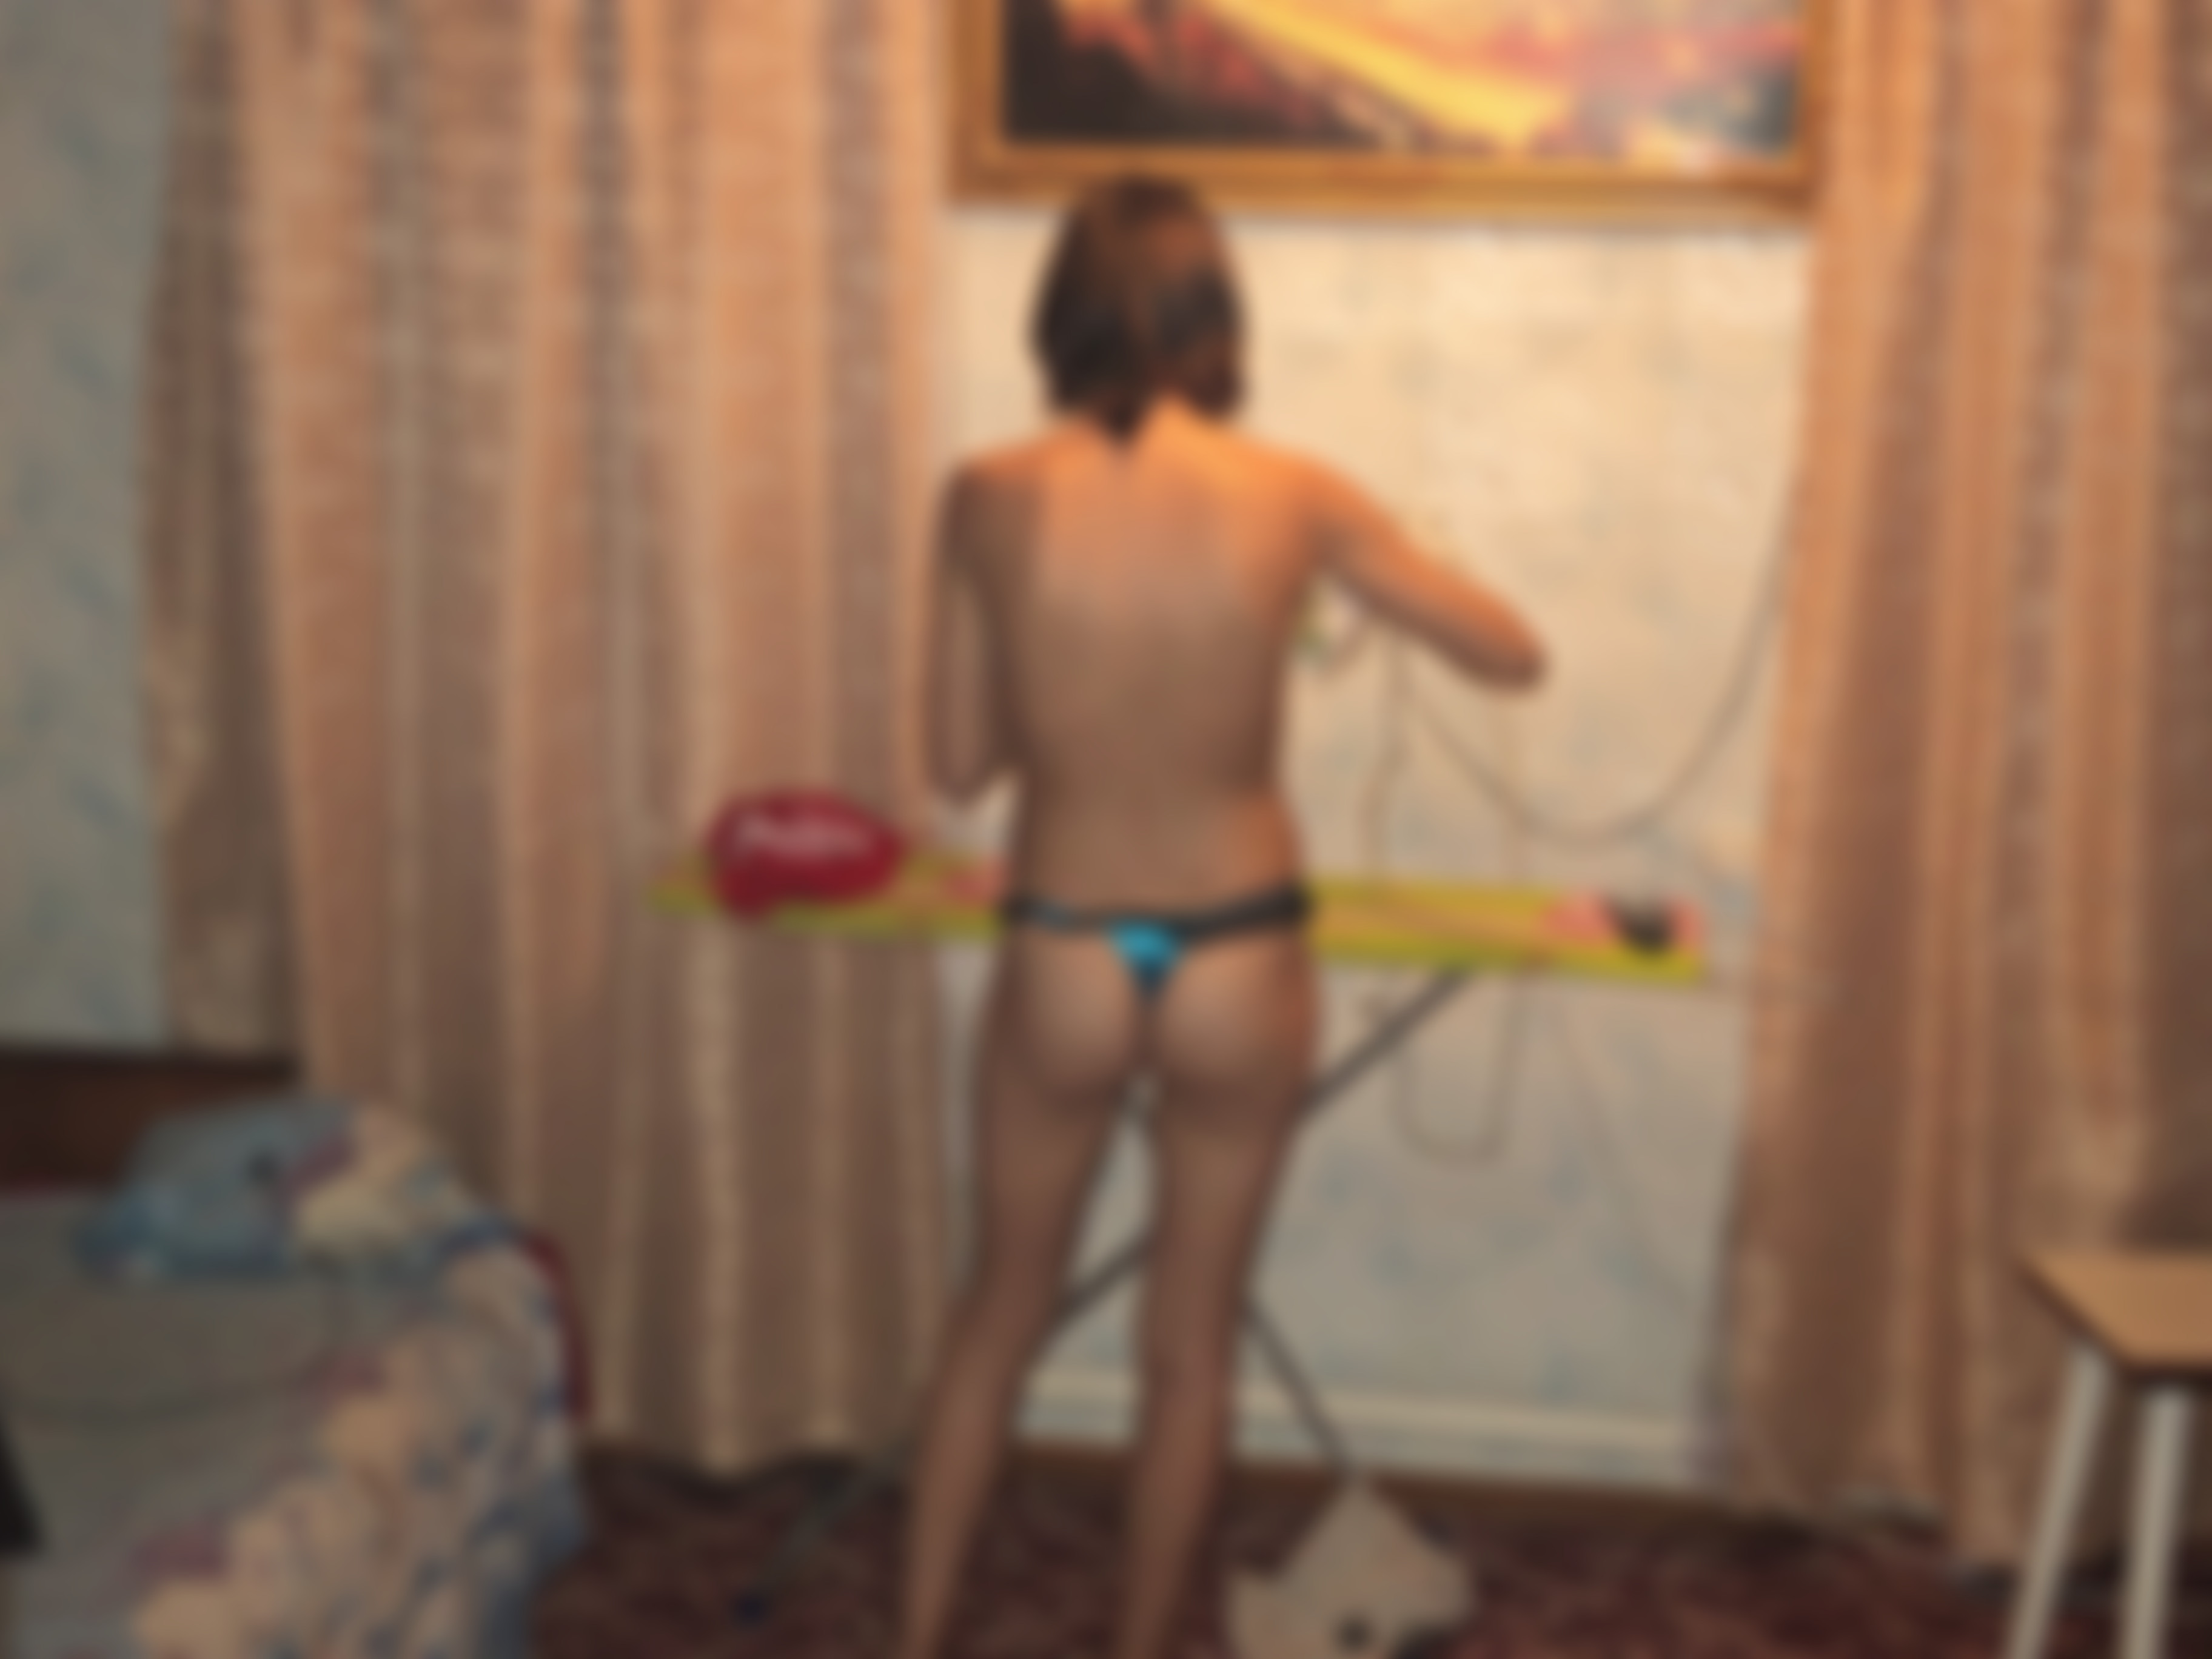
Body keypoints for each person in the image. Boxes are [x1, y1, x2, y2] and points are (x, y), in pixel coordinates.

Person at [897, 175, 1546, 1659]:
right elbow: (1513, 656)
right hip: (1236, 949)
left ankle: (917, 1640)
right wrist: (1353, 584)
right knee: (1188, 1349)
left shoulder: (987, 494)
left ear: (1060, 315)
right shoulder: (1294, 494)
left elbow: (958, 764)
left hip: (1069, 941)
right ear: (1214, 319)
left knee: (998, 1313)